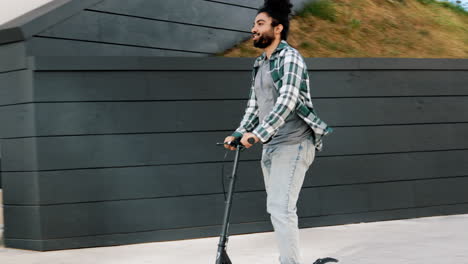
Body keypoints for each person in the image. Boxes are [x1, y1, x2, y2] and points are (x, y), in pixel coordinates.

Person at [223, 0, 334, 263]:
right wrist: (240, 133)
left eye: (260, 24)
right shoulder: (260, 64)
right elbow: (254, 106)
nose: (254, 29)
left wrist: (258, 134)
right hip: (272, 144)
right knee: (277, 208)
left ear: (278, 28)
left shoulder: (291, 58)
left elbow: (287, 100)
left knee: (281, 208)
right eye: (254, 24)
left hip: (295, 142)